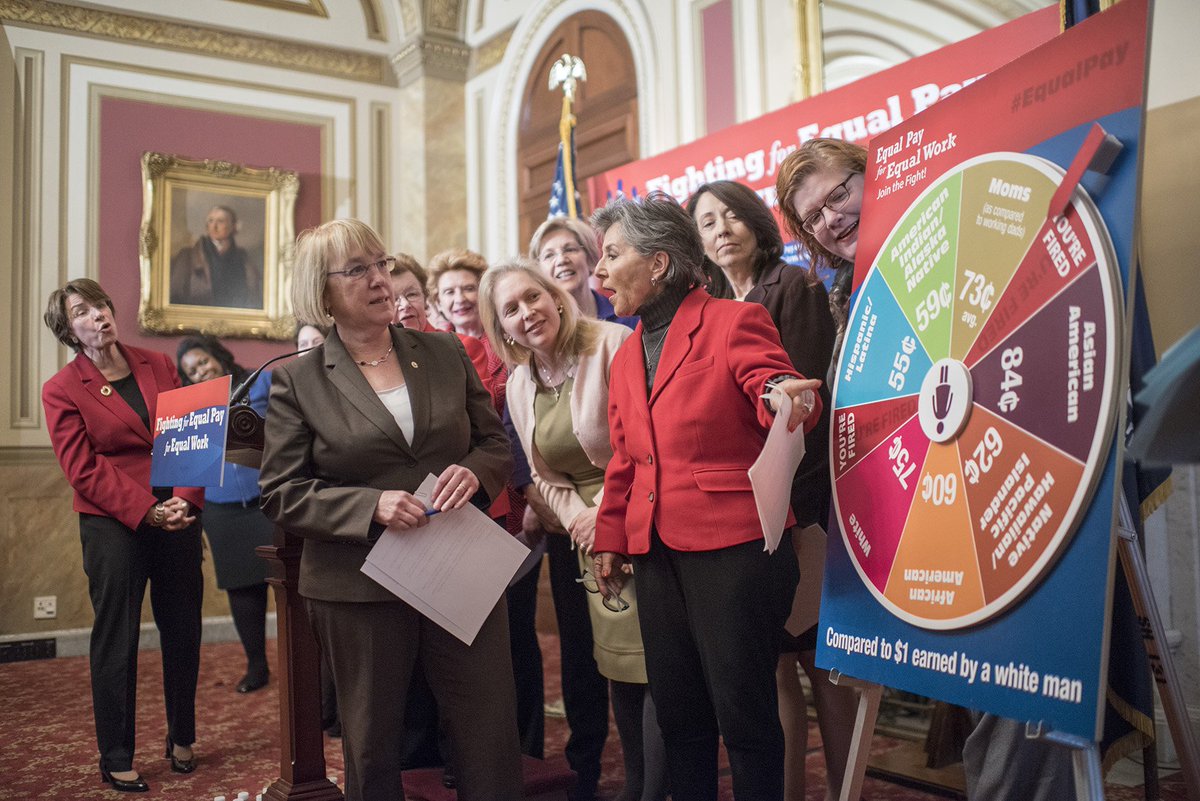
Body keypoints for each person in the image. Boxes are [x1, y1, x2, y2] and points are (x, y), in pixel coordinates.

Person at [257, 219, 521, 801]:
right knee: (373, 746)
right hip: (359, 583)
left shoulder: (445, 351)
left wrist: (475, 473)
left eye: (381, 263)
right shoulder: (298, 380)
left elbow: (494, 443)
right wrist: (368, 505)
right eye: (358, 270)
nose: (380, 279)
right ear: (322, 291)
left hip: (457, 562)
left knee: (488, 731)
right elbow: (280, 491)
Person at [590, 193, 822, 801]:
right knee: (679, 717)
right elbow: (626, 459)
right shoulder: (625, 353)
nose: (599, 272)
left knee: (744, 718)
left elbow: (771, 382)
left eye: (612, 255)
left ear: (659, 262)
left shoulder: (732, 320)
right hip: (656, 554)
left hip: (734, 550)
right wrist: (611, 537)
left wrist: (784, 396)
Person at [687, 179, 856, 801]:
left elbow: (808, 406)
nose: (722, 229)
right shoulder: (706, 307)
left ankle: (844, 790)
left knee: (823, 665)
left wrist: (793, 513)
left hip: (802, 511)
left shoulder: (795, 287)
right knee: (775, 667)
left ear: (757, 222)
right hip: (745, 520)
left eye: (732, 215)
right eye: (707, 222)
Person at [481, 261, 668, 801]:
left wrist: (600, 514)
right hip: (584, 536)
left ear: (555, 296)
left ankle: (654, 790)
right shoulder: (521, 381)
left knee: (653, 664)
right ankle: (636, 784)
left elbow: (641, 441)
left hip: (638, 518)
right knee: (615, 664)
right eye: (510, 310)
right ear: (502, 328)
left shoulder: (612, 343)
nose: (526, 313)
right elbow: (543, 473)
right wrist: (579, 521)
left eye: (532, 297)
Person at [41, 278, 204, 793]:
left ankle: (182, 736)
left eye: (101, 305)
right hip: (113, 522)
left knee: (183, 627)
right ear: (69, 330)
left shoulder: (158, 363)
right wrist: (148, 512)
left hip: (177, 510)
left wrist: (186, 499)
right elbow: (82, 470)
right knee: (118, 637)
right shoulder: (62, 389)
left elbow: (192, 432)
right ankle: (115, 754)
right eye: (82, 312)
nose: (98, 315)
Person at [427, 247, 545, 759]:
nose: (458, 298)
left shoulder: (512, 351)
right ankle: (473, 752)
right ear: (437, 302)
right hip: (457, 515)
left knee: (516, 635)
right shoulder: (432, 354)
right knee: (466, 642)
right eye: (447, 291)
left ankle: (527, 750)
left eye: (466, 288)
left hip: (517, 511)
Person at [175, 335, 273, 694]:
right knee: (242, 589)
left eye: (202, 362)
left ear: (217, 356)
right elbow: (187, 463)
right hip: (222, 511)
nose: (200, 371)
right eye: (191, 371)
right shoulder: (190, 407)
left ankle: (310, 664)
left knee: (292, 584)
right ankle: (257, 665)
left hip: (270, 502)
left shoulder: (260, 381)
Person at [530, 216, 637, 328]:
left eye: (570, 249)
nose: (561, 260)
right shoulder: (542, 329)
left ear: (589, 258)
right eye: (549, 255)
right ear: (539, 271)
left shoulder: (627, 316)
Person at [170, 205, 261, 309]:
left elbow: (253, 294)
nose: (214, 226)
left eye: (220, 221)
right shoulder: (187, 256)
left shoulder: (243, 257)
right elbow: (175, 295)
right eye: (211, 221)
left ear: (233, 226)